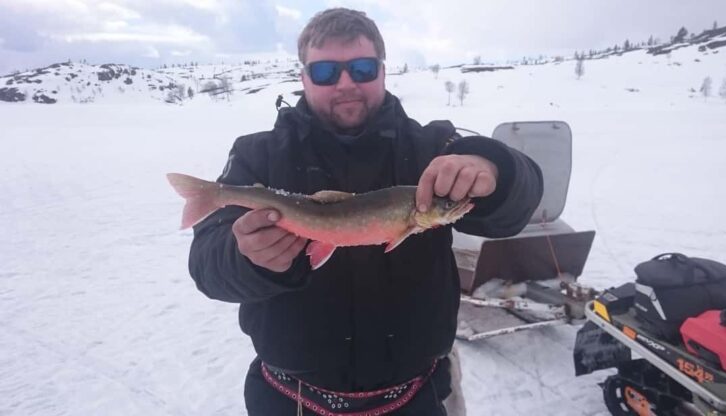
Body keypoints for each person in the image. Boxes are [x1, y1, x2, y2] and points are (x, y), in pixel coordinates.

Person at [188, 7, 543, 415]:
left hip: (416, 398)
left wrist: (493, 168)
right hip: (289, 400)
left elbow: (519, 204)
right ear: (303, 78)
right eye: (325, 72)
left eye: (362, 68)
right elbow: (207, 267)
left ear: (383, 72)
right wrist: (248, 258)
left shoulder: (434, 147)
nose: (346, 83)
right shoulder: (257, 155)